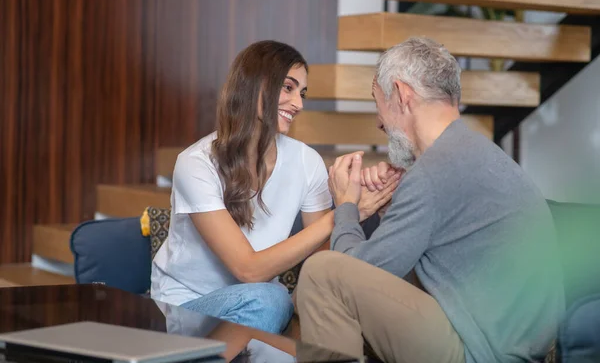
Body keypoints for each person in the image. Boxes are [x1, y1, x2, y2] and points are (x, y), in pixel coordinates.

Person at [296, 37, 565, 362]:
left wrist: (346, 206)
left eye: (376, 102)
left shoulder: (435, 172)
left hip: (483, 352)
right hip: (510, 343)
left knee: (322, 272)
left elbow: (353, 270)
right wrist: (390, 208)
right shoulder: (471, 152)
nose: (378, 121)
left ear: (401, 94)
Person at [150, 40, 400, 334]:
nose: (299, 104)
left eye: (302, 93)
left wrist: (366, 208)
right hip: (190, 306)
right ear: (254, 85)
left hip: (261, 307)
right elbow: (248, 270)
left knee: (296, 313)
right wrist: (345, 212)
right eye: (288, 88)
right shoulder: (196, 164)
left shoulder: (307, 161)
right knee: (271, 300)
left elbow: (320, 257)